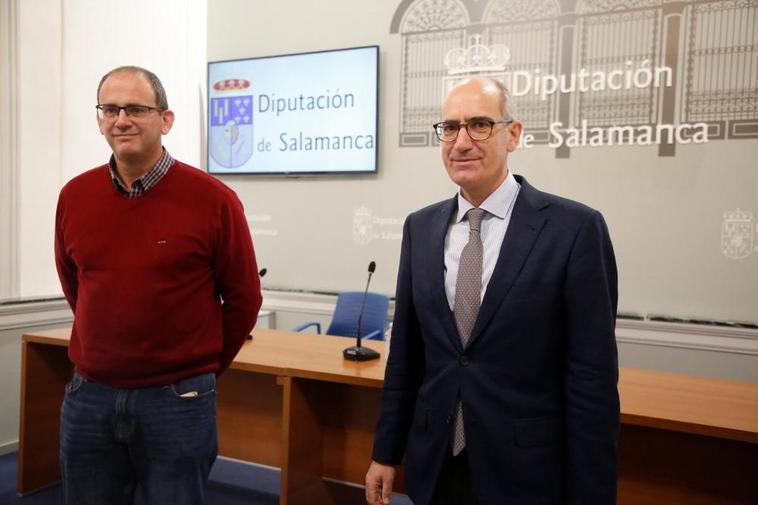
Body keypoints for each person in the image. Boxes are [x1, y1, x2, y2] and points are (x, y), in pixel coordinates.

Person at [365, 77, 619, 505]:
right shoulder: (420, 228)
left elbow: (591, 379)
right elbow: (406, 357)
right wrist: (386, 453)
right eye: (449, 128)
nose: (461, 142)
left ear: (513, 134)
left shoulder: (574, 230)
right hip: (436, 466)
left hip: (526, 473)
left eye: (479, 125)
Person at [54, 66, 262, 505]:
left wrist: (199, 367)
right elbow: (76, 283)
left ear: (165, 120)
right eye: (109, 109)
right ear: (99, 119)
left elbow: (244, 297)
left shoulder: (213, 199)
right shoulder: (74, 196)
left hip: (177, 399)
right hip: (89, 397)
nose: (121, 120)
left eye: (135, 109)